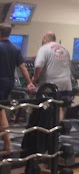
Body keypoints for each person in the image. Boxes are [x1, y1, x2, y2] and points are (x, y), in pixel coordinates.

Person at [0, 23, 36, 152]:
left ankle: (8, 144)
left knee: (1, 112)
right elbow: (23, 67)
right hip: (9, 83)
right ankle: (7, 144)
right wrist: (29, 82)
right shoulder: (15, 48)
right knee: (1, 111)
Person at [32, 31, 72, 121]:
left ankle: (46, 127)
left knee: (45, 107)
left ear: (45, 39)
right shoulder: (64, 49)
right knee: (59, 107)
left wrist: (35, 78)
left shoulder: (44, 48)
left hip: (50, 86)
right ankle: (57, 127)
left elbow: (38, 65)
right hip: (66, 85)